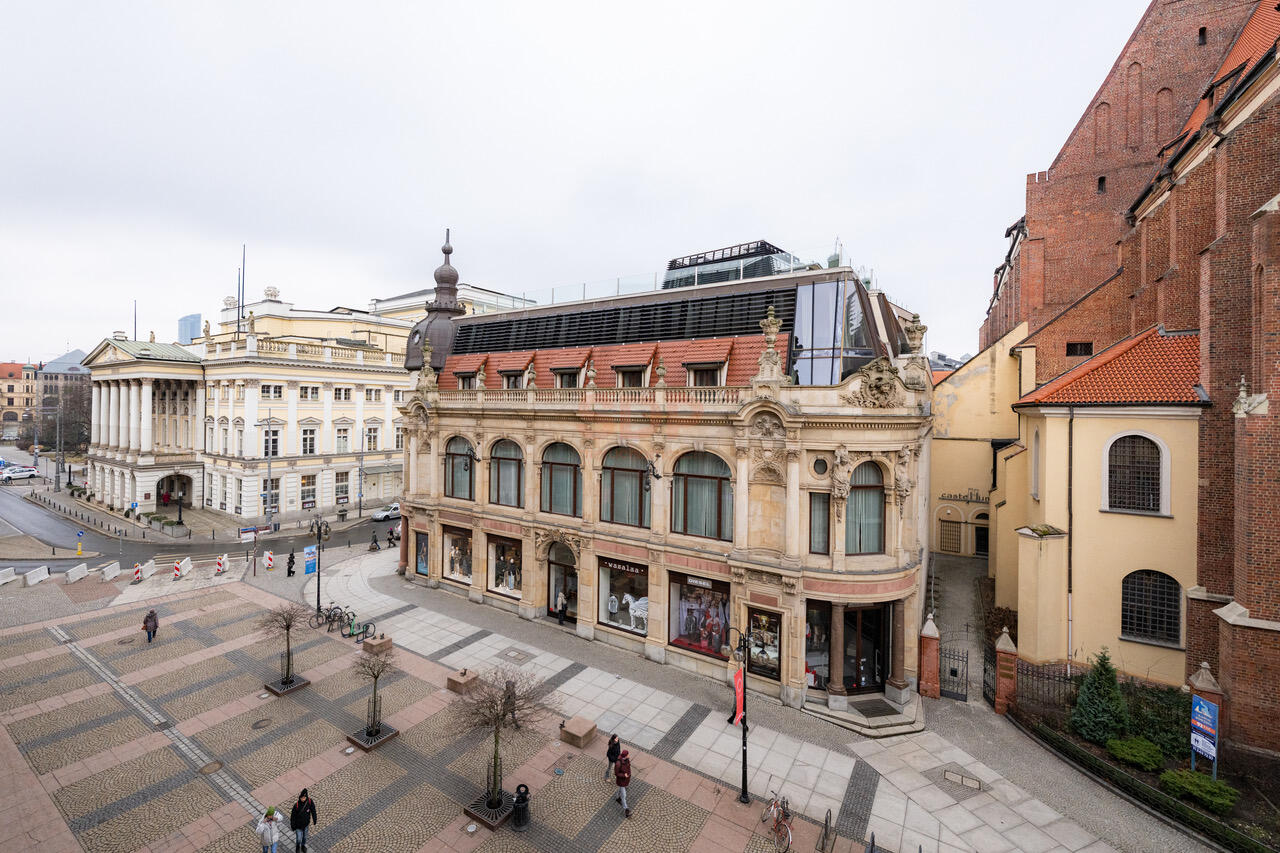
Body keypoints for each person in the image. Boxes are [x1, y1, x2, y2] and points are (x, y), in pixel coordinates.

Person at [614, 748, 632, 817]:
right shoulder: (618, 763)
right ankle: (626, 809)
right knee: (624, 796)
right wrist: (624, 775)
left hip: (625, 780)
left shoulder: (626, 759)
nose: (629, 755)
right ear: (625, 755)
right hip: (621, 780)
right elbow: (616, 773)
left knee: (620, 789)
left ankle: (617, 797)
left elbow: (628, 767)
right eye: (628, 754)